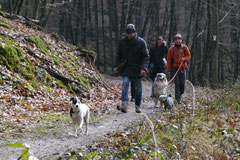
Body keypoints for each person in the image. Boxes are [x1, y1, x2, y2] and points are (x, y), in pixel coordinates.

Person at [114, 24, 149, 113]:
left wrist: (143, 68)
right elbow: (119, 54)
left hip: (138, 69)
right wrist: (116, 66)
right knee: (125, 84)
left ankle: (137, 106)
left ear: (134, 33)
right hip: (126, 67)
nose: (129, 36)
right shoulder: (122, 41)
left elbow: (146, 57)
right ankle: (124, 104)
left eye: (130, 34)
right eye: (127, 34)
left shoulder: (141, 42)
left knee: (138, 89)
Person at [167, 34, 191, 104]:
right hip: (175, 68)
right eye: (176, 39)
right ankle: (178, 99)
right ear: (174, 40)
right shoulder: (171, 49)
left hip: (183, 67)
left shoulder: (184, 47)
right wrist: (169, 70)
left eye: (179, 39)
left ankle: (180, 94)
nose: (178, 41)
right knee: (177, 83)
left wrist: (184, 59)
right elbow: (168, 60)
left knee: (182, 83)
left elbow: (189, 55)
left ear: (181, 40)